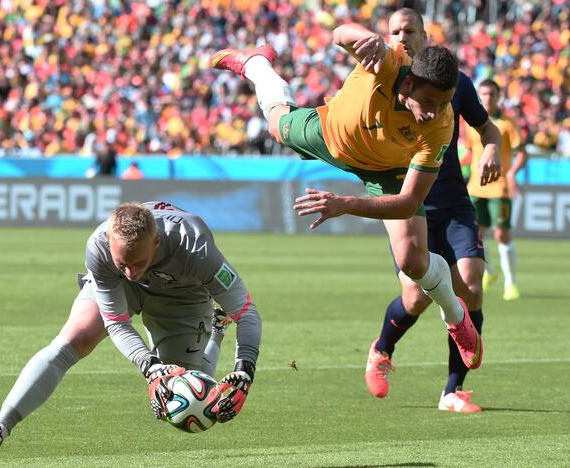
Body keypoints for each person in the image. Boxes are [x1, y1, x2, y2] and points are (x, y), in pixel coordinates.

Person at [212, 23, 485, 379]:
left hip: (387, 171)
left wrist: (345, 204)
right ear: (407, 84)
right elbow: (339, 33)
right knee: (277, 126)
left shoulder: (440, 124)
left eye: (444, 103)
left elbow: (407, 201)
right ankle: (256, 64)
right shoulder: (388, 63)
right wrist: (365, 37)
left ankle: (456, 317)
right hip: (331, 134)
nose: (434, 112)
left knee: (413, 261)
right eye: (428, 102)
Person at [0, 202, 261, 464]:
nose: (132, 270)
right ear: (109, 243)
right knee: (76, 336)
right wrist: (150, 367)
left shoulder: (194, 247)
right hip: (120, 289)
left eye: (139, 262)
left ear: (156, 242)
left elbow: (246, 312)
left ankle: (216, 329)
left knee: (188, 400)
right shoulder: (100, 248)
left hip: (183, 295)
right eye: (124, 263)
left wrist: (244, 371)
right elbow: (117, 322)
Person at [358, 8, 502, 413]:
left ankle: (452, 390)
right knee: (417, 298)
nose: (402, 37)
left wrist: (491, 146)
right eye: (395, 31)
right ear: (387, 38)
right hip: (408, 207)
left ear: (425, 34)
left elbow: (487, 128)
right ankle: (382, 349)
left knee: (470, 285)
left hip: (454, 203)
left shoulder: (458, 86)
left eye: (410, 30)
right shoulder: (380, 86)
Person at [467, 79, 528, 301]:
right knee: (475, 234)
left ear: (498, 96)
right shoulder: (470, 122)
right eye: (483, 93)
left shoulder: (507, 123)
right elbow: (469, 150)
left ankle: (510, 283)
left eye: (491, 94)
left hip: (499, 186)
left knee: (502, 233)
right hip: (475, 186)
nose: (487, 98)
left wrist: (512, 173)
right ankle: (490, 272)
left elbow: (521, 152)